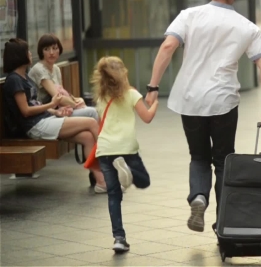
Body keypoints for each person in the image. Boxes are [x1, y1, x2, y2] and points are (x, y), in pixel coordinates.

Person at [145, 0, 261, 233]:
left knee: (198, 156)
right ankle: (223, 222)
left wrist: (153, 86)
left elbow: (168, 46)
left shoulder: (190, 16)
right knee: (223, 159)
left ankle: (198, 197)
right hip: (223, 101)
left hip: (190, 99)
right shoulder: (247, 27)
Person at [2, 38, 107, 191]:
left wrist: (56, 111)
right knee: (91, 123)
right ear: (19, 56)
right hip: (35, 126)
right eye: (27, 52)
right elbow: (25, 111)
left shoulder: (25, 78)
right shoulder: (14, 80)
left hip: (45, 120)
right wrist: (52, 105)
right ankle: (110, 161)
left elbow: (36, 105)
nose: (31, 54)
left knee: (88, 137)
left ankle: (101, 183)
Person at [91, 56, 155, 253]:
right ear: (123, 74)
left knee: (113, 195)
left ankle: (119, 238)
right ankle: (128, 172)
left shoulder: (101, 97)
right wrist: (155, 104)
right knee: (143, 181)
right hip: (126, 149)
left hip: (105, 150)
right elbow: (147, 118)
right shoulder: (131, 94)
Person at [28, 34, 99, 121]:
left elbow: (62, 93)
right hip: (45, 113)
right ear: (41, 52)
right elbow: (58, 98)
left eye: (54, 48)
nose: (51, 52)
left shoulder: (56, 69)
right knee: (92, 112)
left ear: (59, 50)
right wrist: (76, 104)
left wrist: (78, 99)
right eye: (46, 49)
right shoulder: (39, 69)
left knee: (87, 132)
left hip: (59, 110)